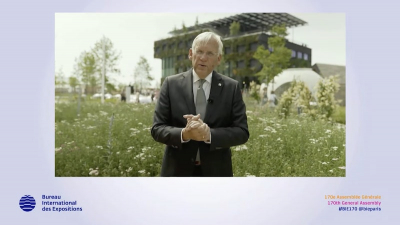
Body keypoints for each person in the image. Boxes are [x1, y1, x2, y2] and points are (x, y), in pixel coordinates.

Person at [151, 32, 249, 177]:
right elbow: (157, 128)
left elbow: (242, 132)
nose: (203, 58)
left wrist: (209, 134)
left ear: (218, 59)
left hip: (216, 173)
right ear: (191, 54)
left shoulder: (231, 88)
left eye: (210, 53)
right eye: (200, 51)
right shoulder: (171, 84)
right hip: (176, 172)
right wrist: (184, 134)